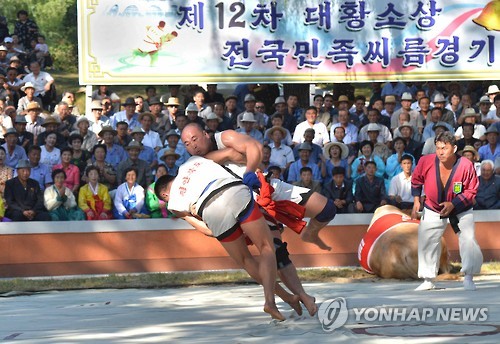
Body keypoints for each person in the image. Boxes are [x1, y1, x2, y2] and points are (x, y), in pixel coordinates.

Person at [155, 156, 290, 321]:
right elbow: (230, 155)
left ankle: (280, 299)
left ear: (165, 194)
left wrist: (229, 231)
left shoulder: (173, 204)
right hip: (232, 191)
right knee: (265, 246)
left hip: (210, 210)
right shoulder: (191, 162)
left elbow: (206, 230)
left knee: (245, 260)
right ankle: (275, 299)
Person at [181, 123, 337, 251]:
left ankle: (310, 234)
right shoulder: (193, 166)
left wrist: (248, 169)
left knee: (327, 209)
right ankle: (287, 290)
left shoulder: (224, 137)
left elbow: (254, 148)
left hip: (265, 185)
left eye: (195, 139)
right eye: (187, 144)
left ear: (206, 134)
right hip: (247, 204)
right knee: (276, 253)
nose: (193, 146)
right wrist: (228, 155)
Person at [411, 132, 483, 291]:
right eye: (438, 148)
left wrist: (453, 204)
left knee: (469, 240)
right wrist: (416, 199)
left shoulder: (465, 165)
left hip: (460, 208)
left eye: (445, 148)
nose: (440, 152)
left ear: (455, 148)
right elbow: (416, 180)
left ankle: (469, 277)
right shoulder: (426, 161)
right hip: (432, 207)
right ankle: (428, 279)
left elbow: (471, 191)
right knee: (427, 241)